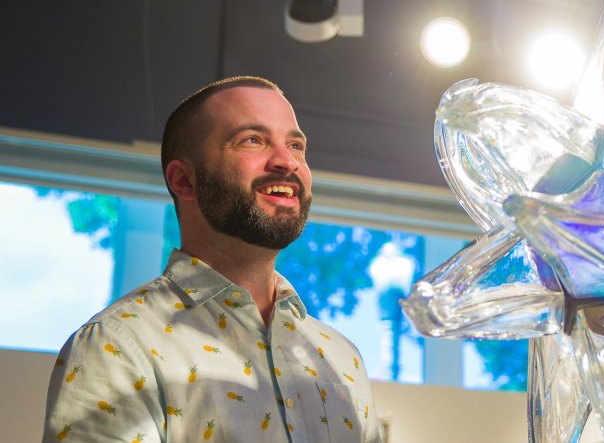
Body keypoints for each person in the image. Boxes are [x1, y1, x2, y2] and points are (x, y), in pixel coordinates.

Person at [44, 76, 383, 442]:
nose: (287, 161)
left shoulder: (342, 358)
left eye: (296, 145)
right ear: (184, 180)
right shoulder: (116, 345)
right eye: (252, 140)